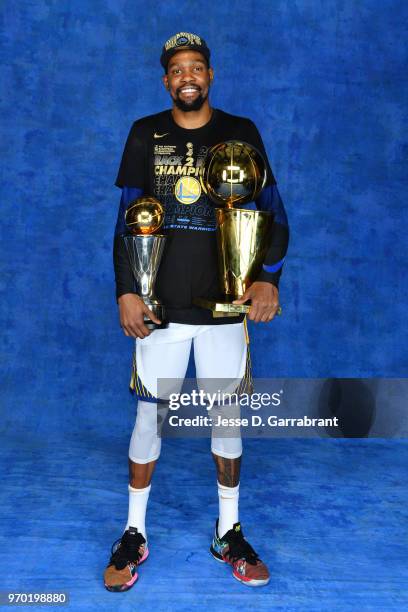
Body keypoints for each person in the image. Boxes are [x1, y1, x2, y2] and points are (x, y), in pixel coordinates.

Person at [104, 31, 289, 591]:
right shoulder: (144, 133)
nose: (188, 76)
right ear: (166, 80)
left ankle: (228, 530)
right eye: (178, 69)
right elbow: (126, 221)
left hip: (224, 307)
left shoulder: (240, 134)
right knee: (148, 416)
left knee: (226, 417)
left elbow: (274, 214)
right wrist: (126, 291)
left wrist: (266, 279)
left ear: (210, 76)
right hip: (160, 307)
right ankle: (134, 533)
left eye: (197, 67)